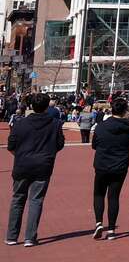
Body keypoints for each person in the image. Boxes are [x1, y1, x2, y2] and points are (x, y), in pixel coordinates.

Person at [5, 92, 65, 247]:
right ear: (46, 107)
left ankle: (12, 236)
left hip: (22, 164)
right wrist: (48, 154)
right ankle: (29, 237)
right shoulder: (55, 124)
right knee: (36, 200)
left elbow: (11, 145)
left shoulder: (20, 123)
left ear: (31, 106)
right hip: (43, 165)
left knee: (18, 199)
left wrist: (19, 155)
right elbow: (59, 144)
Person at [91, 97, 129, 240]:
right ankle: (111, 229)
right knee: (113, 196)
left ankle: (98, 222)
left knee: (99, 194)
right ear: (124, 110)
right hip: (120, 165)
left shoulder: (101, 126)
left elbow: (95, 144)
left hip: (102, 164)